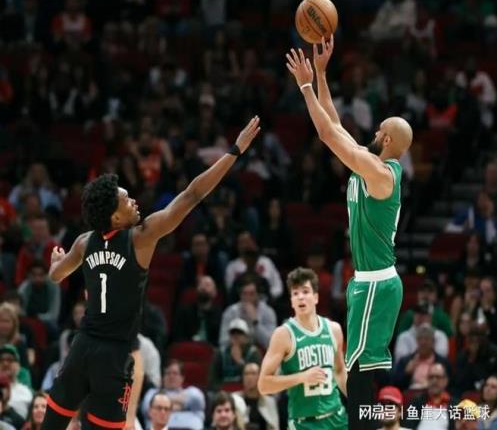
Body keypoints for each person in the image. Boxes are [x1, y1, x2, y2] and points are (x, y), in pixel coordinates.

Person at [40, 116, 261, 430]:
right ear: (115, 218)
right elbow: (192, 195)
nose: (133, 201)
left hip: (82, 347)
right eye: (125, 200)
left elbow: (55, 276)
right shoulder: (140, 238)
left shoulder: (83, 242)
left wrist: (55, 263)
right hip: (115, 355)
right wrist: (234, 152)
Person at [286, 36, 412, 429]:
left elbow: (327, 135)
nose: (373, 132)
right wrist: (322, 75)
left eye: (378, 130)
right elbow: (336, 125)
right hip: (367, 281)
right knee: (355, 368)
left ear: (386, 139)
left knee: (357, 371)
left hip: (378, 283)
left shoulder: (381, 173)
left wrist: (305, 86)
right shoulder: (369, 163)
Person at [258, 267, 348, 429]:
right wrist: (301, 377)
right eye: (295, 293)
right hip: (304, 423)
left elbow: (340, 371)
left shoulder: (334, 329)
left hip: (337, 419)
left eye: (305, 292)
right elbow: (264, 385)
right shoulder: (283, 334)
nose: (300, 297)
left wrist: (358, 399)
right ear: (291, 301)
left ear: (316, 297)